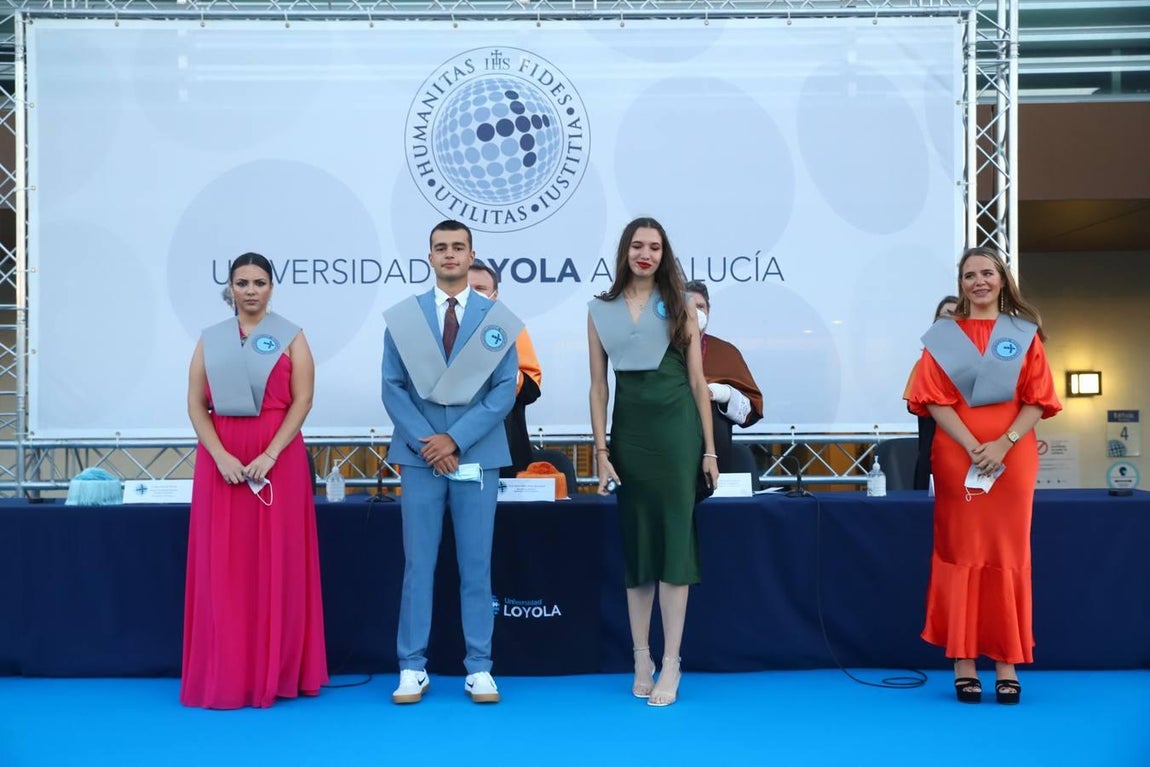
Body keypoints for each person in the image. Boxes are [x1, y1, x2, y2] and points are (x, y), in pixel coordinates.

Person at [907, 246, 1061, 706]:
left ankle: (1007, 660)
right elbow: (933, 399)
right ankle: (964, 660)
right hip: (957, 456)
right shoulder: (943, 337)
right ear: (962, 284)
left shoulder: (1023, 334)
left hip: (1012, 458)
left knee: (1007, 552)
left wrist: (1002, 444)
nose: (979, 281)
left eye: (987, 273)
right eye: (970, 274)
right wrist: (972, 445)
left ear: (1002, 279)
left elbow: (1038, 398)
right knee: (962, 550)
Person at [381, 220, 521, 705]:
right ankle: (411, 666)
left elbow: (505, 389)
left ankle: (480, 667)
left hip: (476, 458)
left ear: (471, 254)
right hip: (421, 460)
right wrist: (429, 442)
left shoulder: (495, 316)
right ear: (430, 256)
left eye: (458, 247)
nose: (449, 255)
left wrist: (454, 440)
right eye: (441, 248)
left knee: (476, 565)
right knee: (418, 565)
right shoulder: (406, 318)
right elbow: (392, 387)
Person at [181, 252, 328, 709]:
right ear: (230, 287)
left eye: (259, 282)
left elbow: (302, 401)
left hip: (277, 459)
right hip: (219, 461)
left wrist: (271, 452)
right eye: (242, 282)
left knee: (278, 561)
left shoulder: (292, 336)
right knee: (224, 565)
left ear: (271, 287)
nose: (250, 290)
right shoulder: (211, 340)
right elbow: (194, 405)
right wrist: (220, 455)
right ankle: (227, 670)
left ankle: (279, 671)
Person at [588, 217, 719, 708]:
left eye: (655, 247)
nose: (646, 254)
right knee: (639, 545)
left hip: (678, 434)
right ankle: (641, 655)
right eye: (638, 246)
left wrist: (709, 449)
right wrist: (601, 452)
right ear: (625, 251)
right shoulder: (601, 310)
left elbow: (698, 382)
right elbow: (599, 386)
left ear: (664, 255)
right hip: (630, 437)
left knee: (674, 546)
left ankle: (672, 661)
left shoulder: (681, 307)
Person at [468, 261, 544, 478]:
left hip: (506, 448)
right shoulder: (442, 330)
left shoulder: (510, 329)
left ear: (495, 295)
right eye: (467, 289)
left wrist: (500, 366)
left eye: (480, 289)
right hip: (453, 451)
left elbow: (531, 389)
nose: (474, 296)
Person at [684, 280, 764, 474]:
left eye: (701, 306)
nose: (696, 312)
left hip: (715, 457)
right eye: (689, 306)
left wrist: (723, 393)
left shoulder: (726, 352)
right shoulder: (663, 350)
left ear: (708, 312)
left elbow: (751, 410)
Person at [903, 295, 959, 490]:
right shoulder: (923, 366)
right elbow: (914, 406)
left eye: (956, 314)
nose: (951, 320)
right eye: (945, 316)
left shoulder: (978, 367)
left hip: (970, 459)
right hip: (933, 458)